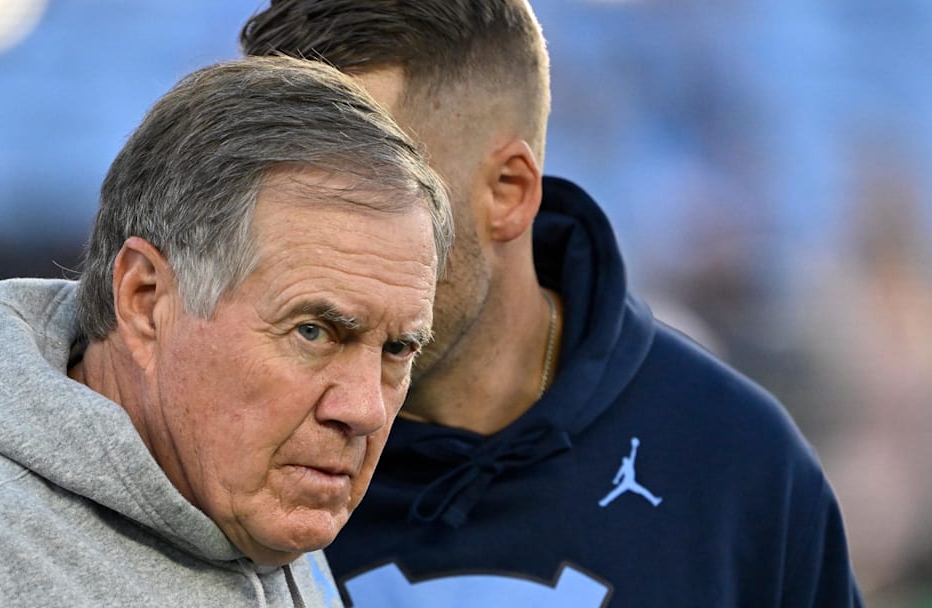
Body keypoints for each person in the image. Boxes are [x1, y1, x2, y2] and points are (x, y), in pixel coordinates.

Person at [240, 2, 864, 606]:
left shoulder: (733, 462)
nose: (318, 253)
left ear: (508, 192)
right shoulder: (227, 452)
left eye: (365, 194)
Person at [0, 55, 453, 607]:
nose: (366, 409)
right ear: (145, 301)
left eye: (397, 348)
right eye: (314, 332)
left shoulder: (257, 511)